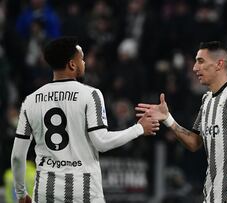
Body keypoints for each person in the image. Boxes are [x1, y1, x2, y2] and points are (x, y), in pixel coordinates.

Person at [11, 36, 159, 203]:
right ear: (72, 64)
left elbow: (17, 156)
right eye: (81, 59)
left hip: (46, 192)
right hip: (85, 192)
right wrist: (138, 128)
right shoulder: (90, 94)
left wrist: (21, 193)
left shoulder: (30, 101)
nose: (85, 63)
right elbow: (102, 142)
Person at [136, 41, 227, 203]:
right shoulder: (207, 100)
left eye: (201, 61)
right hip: (210, 196)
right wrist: (168, 119)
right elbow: (194, 142)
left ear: (219, 64)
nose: (195, 68)